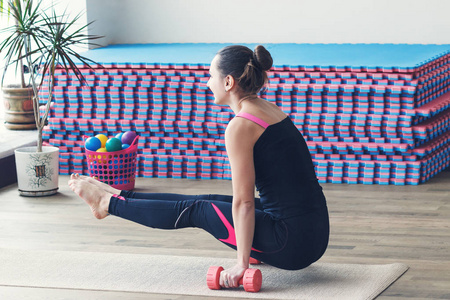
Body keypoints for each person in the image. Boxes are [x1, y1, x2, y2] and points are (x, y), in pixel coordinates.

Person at [69, 44, 329, 289]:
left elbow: (245, 202)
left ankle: (108, 204)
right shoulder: (269, 110)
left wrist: (242, 263)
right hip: (313, 235)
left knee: (200, 209)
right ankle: (117, 196)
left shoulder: (241, 125)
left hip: (291, 244)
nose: (207, 82)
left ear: (228, 82)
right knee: (209, 200)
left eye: (210, 75)